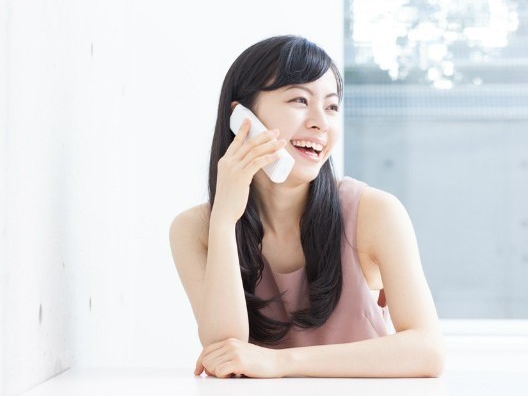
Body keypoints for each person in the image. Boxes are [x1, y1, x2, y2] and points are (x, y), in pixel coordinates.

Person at [169, 35, 445, 378]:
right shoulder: (194, 230)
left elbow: (428, 351)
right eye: (300, 100)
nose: (321, 122)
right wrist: (225, 221)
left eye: (331, 106)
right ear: (242, 118)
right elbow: (226, 354)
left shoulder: (375, 214)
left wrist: (281, 361)